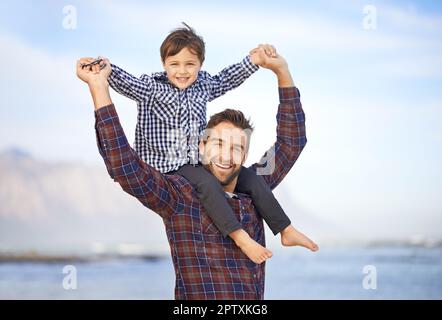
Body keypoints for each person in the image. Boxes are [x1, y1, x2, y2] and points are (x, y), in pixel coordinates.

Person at [76, 48, 318, 299]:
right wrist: (99, 87)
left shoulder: (256, 189)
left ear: (245, 157)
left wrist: (282, 72)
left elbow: (291, 143)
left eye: (236, 148)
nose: (226, 156)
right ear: (201, 147)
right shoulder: (179, 195)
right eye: (219, 144)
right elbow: (124, 167)